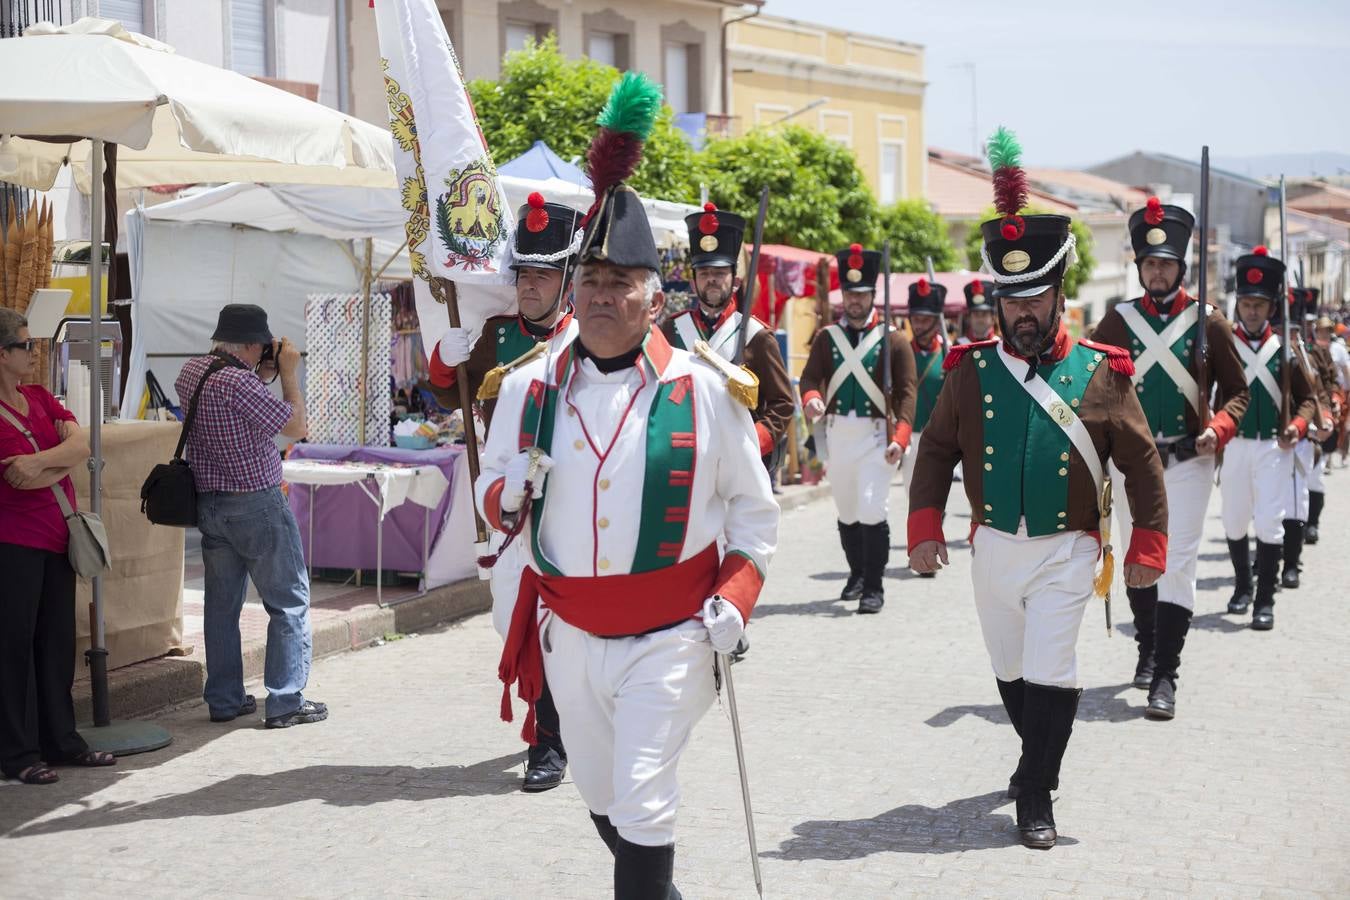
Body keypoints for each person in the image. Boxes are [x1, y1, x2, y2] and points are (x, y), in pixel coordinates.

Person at [485, 77, 778, 896]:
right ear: (572, 291)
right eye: (593, 282)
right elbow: (496, 485)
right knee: (605, 800)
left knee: (646, 802)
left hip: (671, 635)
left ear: (657, 297)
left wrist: (737, 595)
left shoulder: (707, 391)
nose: (604, 296)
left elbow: (755, 516)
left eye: (623, 284)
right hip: (569, 635)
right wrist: (504, 500)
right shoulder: (527, 386)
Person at [908, 131, 1168, 849]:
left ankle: (1037, 791)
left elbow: (1142, 461)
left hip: (1068, 548)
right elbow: (934, 450)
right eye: (1010, 298)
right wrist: (925, 524)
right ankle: (1036, 756)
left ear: (1060, 294)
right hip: (993, 545)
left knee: (1054, 665)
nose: (1021, 312)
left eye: (1035, 297)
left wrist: (1149, 543)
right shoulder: (968, 369)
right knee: (1011, 669)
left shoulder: (1102, 370)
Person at [430, 192, 582, 793]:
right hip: (506, 502)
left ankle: (550, 740)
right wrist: (445, 364)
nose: (529, 286)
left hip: (569, 503)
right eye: (523, 274)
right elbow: (451, 396)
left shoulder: (589, 339)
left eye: (543, 275)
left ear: (566, 280)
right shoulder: (496, 335)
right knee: (509, 619)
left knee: (555, 625)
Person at [1089, 197, 1250, 720]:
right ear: (1140, 267)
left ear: (1181, 268)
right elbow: (1092, 389)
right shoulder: (1116, 323)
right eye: (1149, 264)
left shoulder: (1210, 323)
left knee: (1176, 563)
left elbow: (1238, 393)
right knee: (1139, 556)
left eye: (1166, 264)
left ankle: (1165, 676)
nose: (1157, 272)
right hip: (1133, 464)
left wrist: (1218, 427)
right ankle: (1146, 648)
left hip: (1188, 459)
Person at [175, 304, 325, 728]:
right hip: (256, 504)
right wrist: (290, 374)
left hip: (211, 503)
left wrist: (263, 370)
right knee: (289, 600)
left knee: (222, 606)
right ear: (252, 345)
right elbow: (295, 428)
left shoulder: (193, 371)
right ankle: (285, 701)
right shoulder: (241, 382)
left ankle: (224, 699)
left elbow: (236, 407)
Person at [0, 308, 116, 784]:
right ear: (2, 354)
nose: (34, 352)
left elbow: (82, 446)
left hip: (55, 537)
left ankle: (62, 741)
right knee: (14, 649)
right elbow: (15, 480)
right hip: (13, 543)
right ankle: (17, 753)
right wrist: (58, 461)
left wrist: (44, 463)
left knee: (56, 646)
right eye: (25, 345)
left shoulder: (39, 396)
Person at [798, 245, 917, 613]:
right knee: (847, 511)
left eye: (861, 295)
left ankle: (874, 587)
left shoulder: (893, 338)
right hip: (837, 435)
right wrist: (813, 398)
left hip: (877, 437)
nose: (854, 301)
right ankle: (857, 574)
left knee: (871, 508)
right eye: (849, 294)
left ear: (871, 296)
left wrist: (900, 437)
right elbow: (809, 378)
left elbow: (908, 392)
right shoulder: (826, 337)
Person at [1218, 248, 1316, 630]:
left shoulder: (1287, 352)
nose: (1252, 311)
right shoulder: (1224, 346)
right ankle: (1243, 586)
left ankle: (1265, 601)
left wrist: (1298, 425)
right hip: (1235, 444)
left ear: (1271, 307)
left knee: (1270, 523)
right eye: (1246, 303)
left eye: (1259, 304)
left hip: (1274, 446)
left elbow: (1308, 400)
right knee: (1234, 520)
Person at [661, 202, 794, 467]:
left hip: (739, 460)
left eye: (720, 273)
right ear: (693, 280)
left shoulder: (757, 336)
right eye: (705, 273)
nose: (712, 279)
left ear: (735, 281)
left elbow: (782, 404)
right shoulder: (671, 330)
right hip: (685, 458)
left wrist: (752, 443)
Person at [1276, 292, 1338, 586]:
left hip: (1302, 437)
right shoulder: (1261, 354)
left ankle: (1291, 563)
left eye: (1293, 329)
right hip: (1266, 439)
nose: (1288, 334)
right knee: (1263, 506)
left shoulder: (1312, 356)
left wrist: (1325, 416)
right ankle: (1264, 559)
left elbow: (1321, 392)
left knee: (1297, 500)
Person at [901, 277, 948, 581]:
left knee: (935, 496)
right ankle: (919, 547)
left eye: (925, 319)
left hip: (941, 438)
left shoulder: (948, 354)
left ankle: (930, 547)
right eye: (915, 319)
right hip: (910, 434)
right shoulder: (900, 351)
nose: (919, 325)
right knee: (914, 495)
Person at [1308, 314, 1348, 542]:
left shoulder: (1325, 354)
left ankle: (1311, 524)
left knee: (1315, 476)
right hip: (1291, 423)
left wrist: (1335, 400)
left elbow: (1334, 382)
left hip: (1320, 417)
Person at [957, 279, 998, 345]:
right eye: (976, 314)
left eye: (984, 314)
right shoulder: (958, 345)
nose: (980, 319)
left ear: (993, 318)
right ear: (969, 318)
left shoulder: (1001, 345)